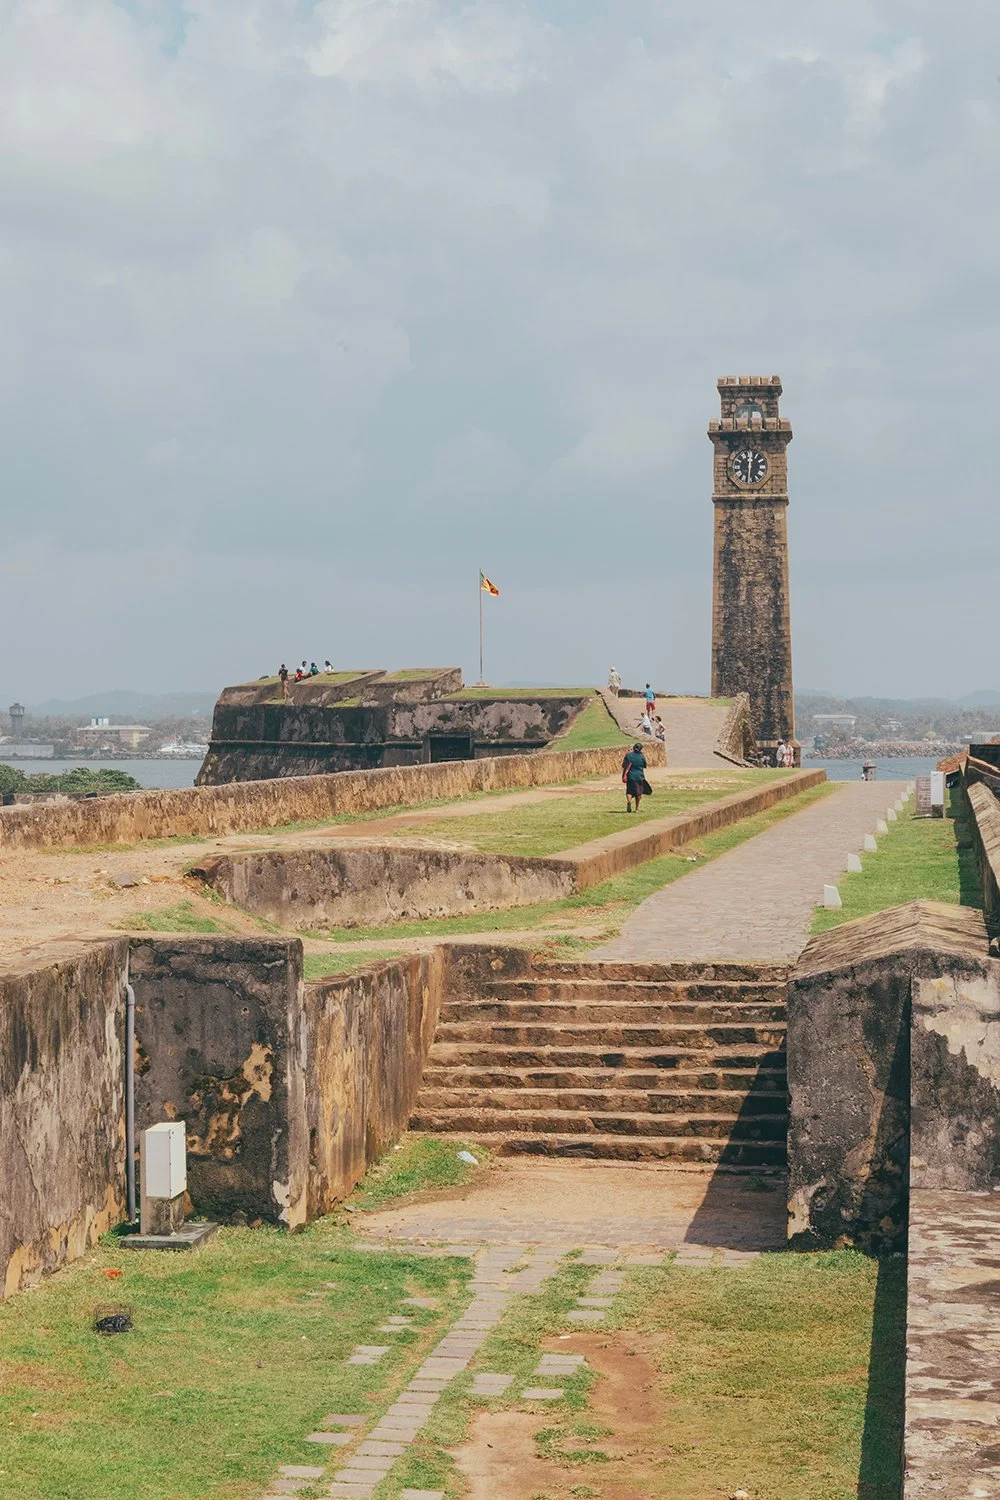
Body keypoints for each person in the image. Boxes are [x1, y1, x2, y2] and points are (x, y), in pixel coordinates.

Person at [622, 742, 648, 813]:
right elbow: (645, 765)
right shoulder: (642, 756)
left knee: (629, 791)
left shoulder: (629, 755)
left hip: (630, 776)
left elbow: (624, 765)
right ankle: (636, 808)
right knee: (638, 793)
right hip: (639, 776)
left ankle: (629, 802)